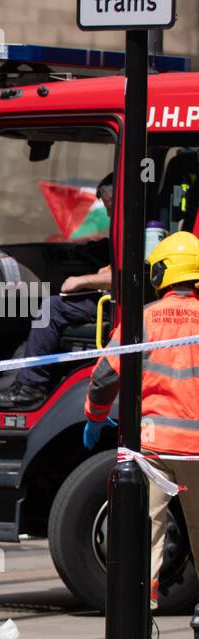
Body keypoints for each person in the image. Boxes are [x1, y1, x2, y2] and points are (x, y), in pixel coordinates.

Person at [85, 230, 199, 610]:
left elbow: (104, 377)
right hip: (197, 453)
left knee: (145, 534)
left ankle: (138, 620)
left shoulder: (143, 320)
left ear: (162, 274)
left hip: (151, 449)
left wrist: (95, 416)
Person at [0, 173, 114, 409]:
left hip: (118, 304)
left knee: (52, 307)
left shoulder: (141, 232)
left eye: (111, 208)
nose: (108, 215)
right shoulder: (131, 229)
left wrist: (80, 281)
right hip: (114, 298)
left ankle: (31, 387)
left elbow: (129, 277)